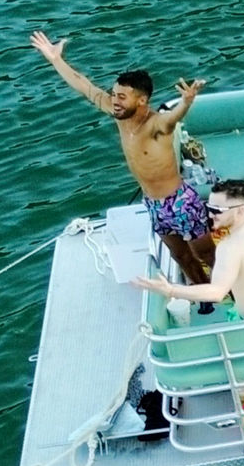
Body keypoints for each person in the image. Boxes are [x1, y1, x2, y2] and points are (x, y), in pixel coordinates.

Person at [29, 32, 214, 283]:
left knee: (205, 253)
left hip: (179, 201)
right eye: (114, 94)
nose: (114, 101)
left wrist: (187, 102)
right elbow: (84, 86)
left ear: (142, 101)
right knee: (179, 255)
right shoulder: (120, 115)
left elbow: (173, 119)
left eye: (122, 97)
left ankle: (234, 293)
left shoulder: (156, 125)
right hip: (154, 204)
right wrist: (55, 60)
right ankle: (203, 293)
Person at [132, 182, 244, 319]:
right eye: (209, 208)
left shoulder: (229, 246)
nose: (210, 215)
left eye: (217, 211)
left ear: (240, 210)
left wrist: (171, 290)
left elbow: (217, 292)